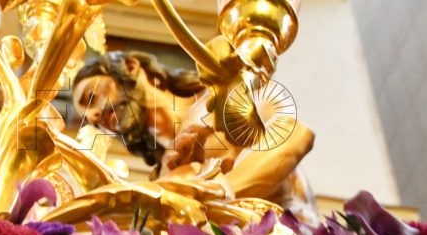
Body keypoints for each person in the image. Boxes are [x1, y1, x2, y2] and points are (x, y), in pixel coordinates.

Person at [72, 50, 318, 222]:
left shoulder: (221, 95)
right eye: (89, 118)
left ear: (130, 67)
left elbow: (294, 135)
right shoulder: (163, 175)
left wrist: (217, 197)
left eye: (92, 97)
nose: (93, 116)